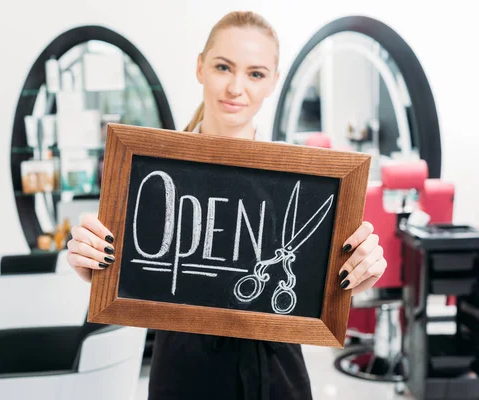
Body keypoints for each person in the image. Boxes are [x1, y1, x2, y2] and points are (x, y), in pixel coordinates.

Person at [66, 11, 387, 400]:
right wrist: (97, 264)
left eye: (255, 73)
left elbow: (320, 286)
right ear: (200, 67)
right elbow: (134, 272)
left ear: (273, 81)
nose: (237, 87)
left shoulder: (307, 186)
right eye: (223, 67)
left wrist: (355, 274)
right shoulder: (150, 174)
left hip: (276, 378)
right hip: (183, 378)